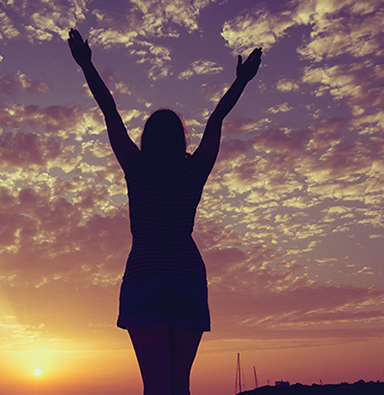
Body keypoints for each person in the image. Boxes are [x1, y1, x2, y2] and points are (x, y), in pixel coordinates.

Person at [67, 28, 261, 395]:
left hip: (146, 273)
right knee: (179, 386)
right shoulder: (194, 171)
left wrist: (86, 65)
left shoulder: (137, 168)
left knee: (156, 387)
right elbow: (217, 120)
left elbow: (109, 110)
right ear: (180, 139)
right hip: (187, 275)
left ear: (147, 138)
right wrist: (241, 82)